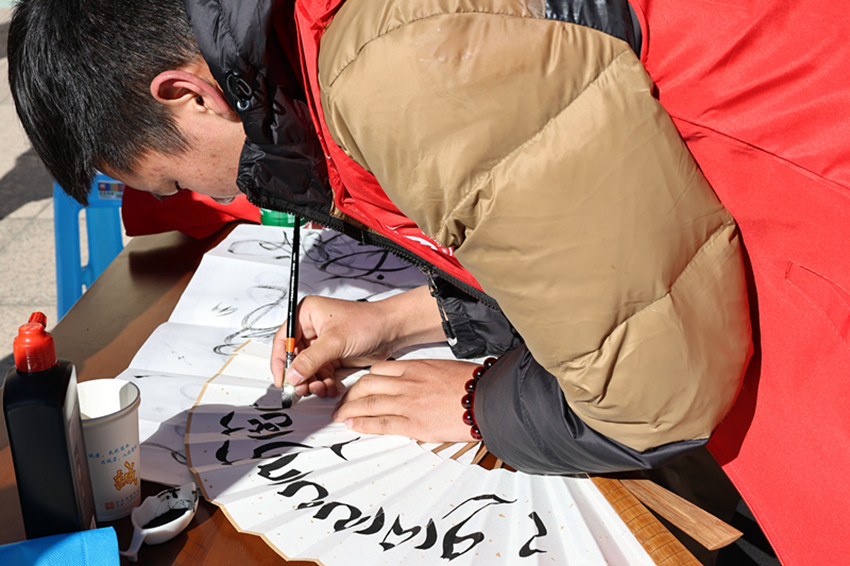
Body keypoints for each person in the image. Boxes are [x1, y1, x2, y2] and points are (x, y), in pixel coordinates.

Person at [8, 0, 751, 479]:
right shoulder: (317, 40)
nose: (217, 199)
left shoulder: (396, 66)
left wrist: (478, 405)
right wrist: (401, 319)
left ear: (188, 93)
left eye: (173, 181)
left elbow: (660, 389)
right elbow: (576, 241)